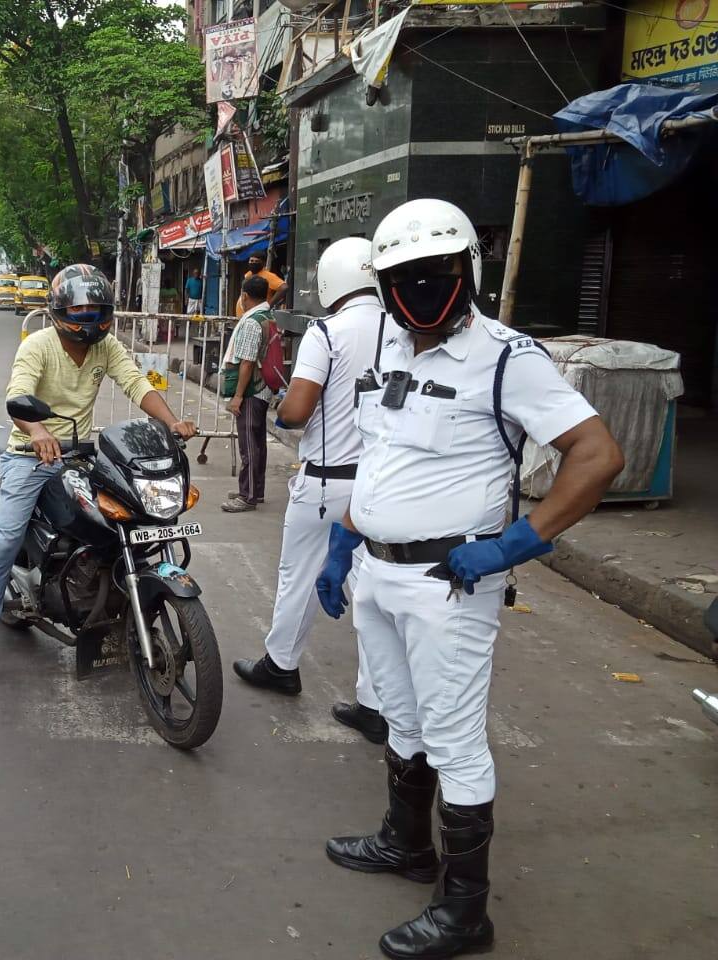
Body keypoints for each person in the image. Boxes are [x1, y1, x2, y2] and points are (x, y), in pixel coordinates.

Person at [316, 199, 623, 960]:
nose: (417, 292)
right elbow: (386, 458)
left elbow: (596, 454)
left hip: (451, 580)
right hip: (378, 571)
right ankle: (404, 843)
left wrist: (518, 543)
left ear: (465, 273)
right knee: (401, 717)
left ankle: (464, 911)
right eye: (399, 280)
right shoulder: (392, 348)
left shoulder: (509, 357)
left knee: (455, 739)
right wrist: (342, 537)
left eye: (433, 277)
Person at [0, 264, 197, 684]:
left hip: (80, 452)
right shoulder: (38, 345)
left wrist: (172, 422)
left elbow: (137, 384)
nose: (89, 319)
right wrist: (39, 431)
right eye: (80, 311)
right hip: (29, 453)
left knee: (125, 516)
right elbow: (18, 394)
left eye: (98, 310)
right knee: (5, 541)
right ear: (60, 310)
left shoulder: (107, 347)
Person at [232, 237, 385, 743]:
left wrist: (284, 406)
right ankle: (377, 701)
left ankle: (281, 664)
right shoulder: (403, 328)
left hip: (328, 481)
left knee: (298, 573)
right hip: (382, 485)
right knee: (372, 592)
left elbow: (295, 411)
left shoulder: (329, 331)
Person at [221, 275, 273, 514]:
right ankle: (255, 490)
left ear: (244, 296)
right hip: (261, 388)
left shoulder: (252, 322)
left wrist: (238, 396)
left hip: (252, 390)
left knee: (249, 444)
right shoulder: (266, 316)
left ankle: (248, 495)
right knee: (257, 442)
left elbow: (247, 362)